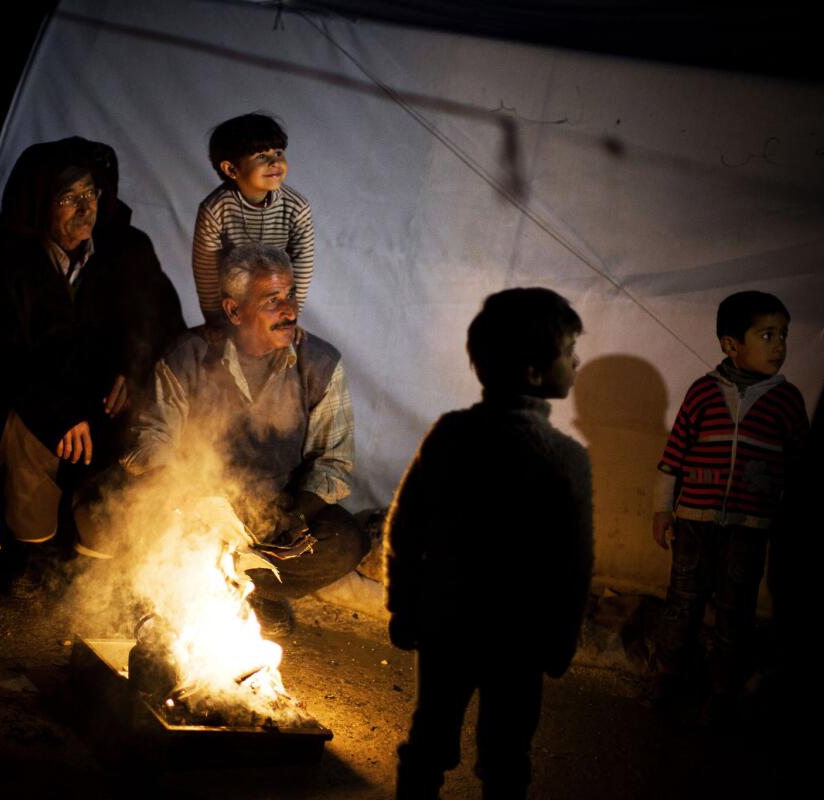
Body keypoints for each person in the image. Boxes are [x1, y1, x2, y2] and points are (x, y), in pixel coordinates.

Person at [384, 287, 594, 799]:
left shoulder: (451, 433)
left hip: (445, 623)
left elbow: (405, 525)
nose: (577, 361)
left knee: (428, 740)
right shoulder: (566, 457)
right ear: (534, 373)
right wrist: (562, 638)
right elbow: (574, 563)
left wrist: (402, 606)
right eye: (569, 353)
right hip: (520, 637)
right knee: (506, 756)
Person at [117, 243, 367, 634]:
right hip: (198, 506)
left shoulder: (319, 363)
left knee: (345, 540)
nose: (289, 311)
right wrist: (195, 499)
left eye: (290, 295)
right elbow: (151, 439)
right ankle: (183, 588)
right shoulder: (189, 355)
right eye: (272, 300)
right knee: (141, 510)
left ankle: (255, 590)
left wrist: (295, 517)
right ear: (234, 310)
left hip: (273, 512)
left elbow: (333, 462)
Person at [0, 138, 183, 576]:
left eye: (91, 195)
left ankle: (99, 556)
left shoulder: (126, 250)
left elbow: (161, 321)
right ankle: (34, 554)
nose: (85, 208)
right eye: (69, 198)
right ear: (40, 204)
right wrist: (58, 413)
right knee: (22, 432)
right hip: (41, 400)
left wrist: (132, 369)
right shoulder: (7, 262)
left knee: (147, 428)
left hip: (103, 396)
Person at [647, 290, 810, 725]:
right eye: (767, 334)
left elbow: (800, 464)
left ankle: (723, 688)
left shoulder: (787, 401)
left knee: (736, 606)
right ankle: (668, 672)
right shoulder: (702, 393)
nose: (779, 346)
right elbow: (674, 453)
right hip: (695, 522)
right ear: (730, 344)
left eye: (784, 336)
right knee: (684, 598)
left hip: (749, 527)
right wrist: (663, 510)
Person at [191, 113, 314, 325]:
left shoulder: (297, 208)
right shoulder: (215, 209)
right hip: (234, 304)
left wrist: (291, 315)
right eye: (261, 157)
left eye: (278, 153)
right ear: (231, 169)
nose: (275, 162)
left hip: (277, 300)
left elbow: (303, 265)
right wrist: (214, 320)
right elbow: (206, 270)